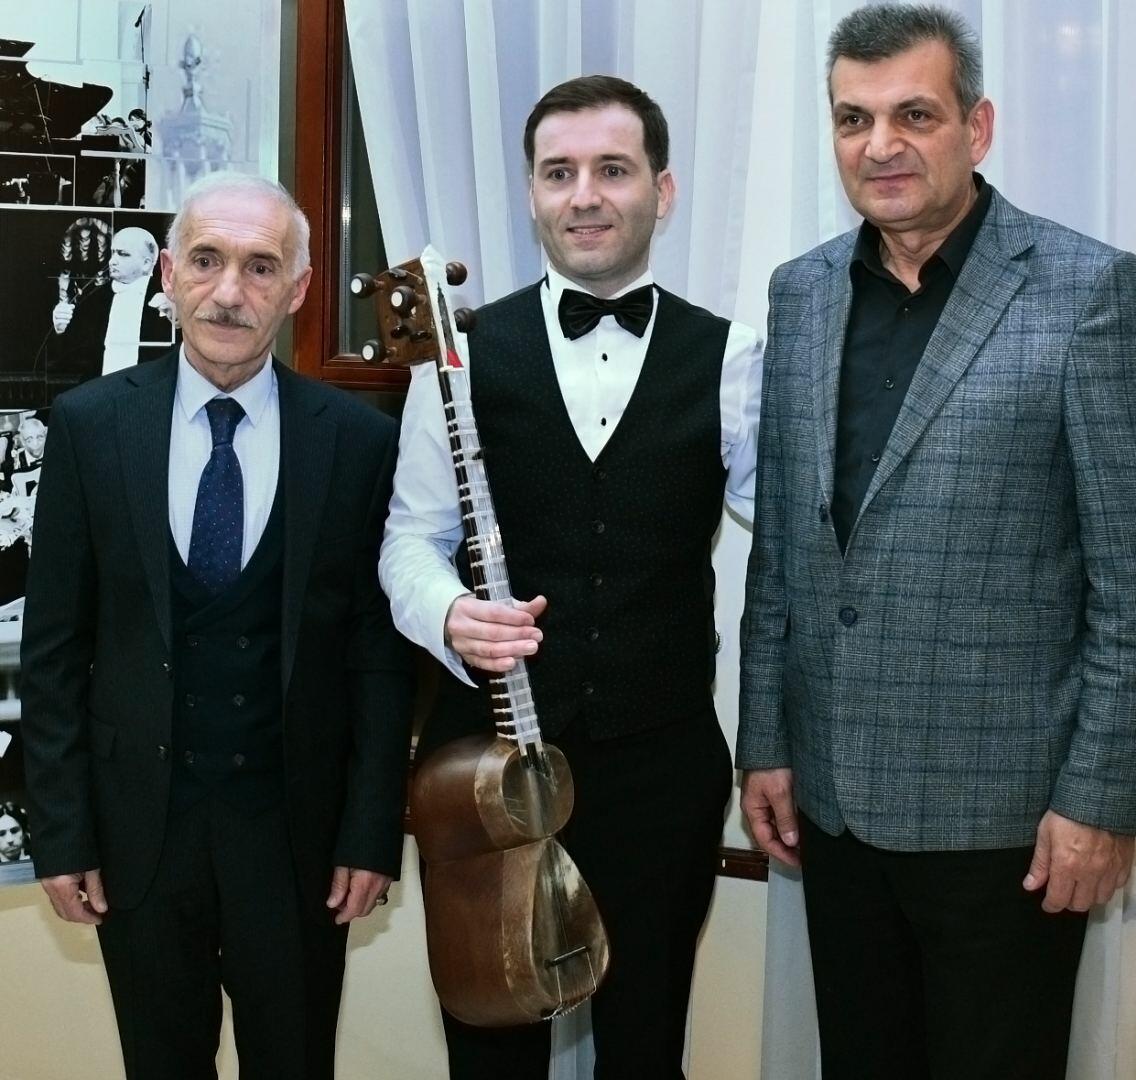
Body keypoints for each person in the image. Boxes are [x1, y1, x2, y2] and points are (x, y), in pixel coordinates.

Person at [736, 6, 1136, 1079]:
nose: (879, 144)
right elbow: (783, 549)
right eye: (852, 118)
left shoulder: (1086, 291)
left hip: (1010, 825)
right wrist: (765, 740)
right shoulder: (800, 293)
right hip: (835, 807)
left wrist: (1097, 802)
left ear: (975, 128)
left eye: (914, 115)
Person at [380, 75, 761, 1079]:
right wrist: (450, 615)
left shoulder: (733, 358)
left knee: (644, 1046)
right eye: (558, 173)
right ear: (532, 194)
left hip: (660, 762)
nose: (584, 195)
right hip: (486, 760)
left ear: (661, 192)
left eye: (612, 170)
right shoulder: (457, 353)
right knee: (491, 1049)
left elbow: (803, 541)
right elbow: (408, 540)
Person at [21, 171, 414, 1079]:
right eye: (205, 260)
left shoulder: (356, 441)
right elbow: (54, 652)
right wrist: (63, 833)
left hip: (296, 838)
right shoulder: (89, 426)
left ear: (298, 289)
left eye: (260, 267)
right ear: (169, 275)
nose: (229, 292)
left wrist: (368, 829)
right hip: (137, 838)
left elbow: (377, 656)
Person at [49, 225, 173, 379]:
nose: (112, 261)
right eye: (113, 253)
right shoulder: (95, 298)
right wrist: (61, 329)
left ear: (146, 263)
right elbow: (74, 356)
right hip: (101, 389)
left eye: (123, 254)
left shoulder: (168, 298)